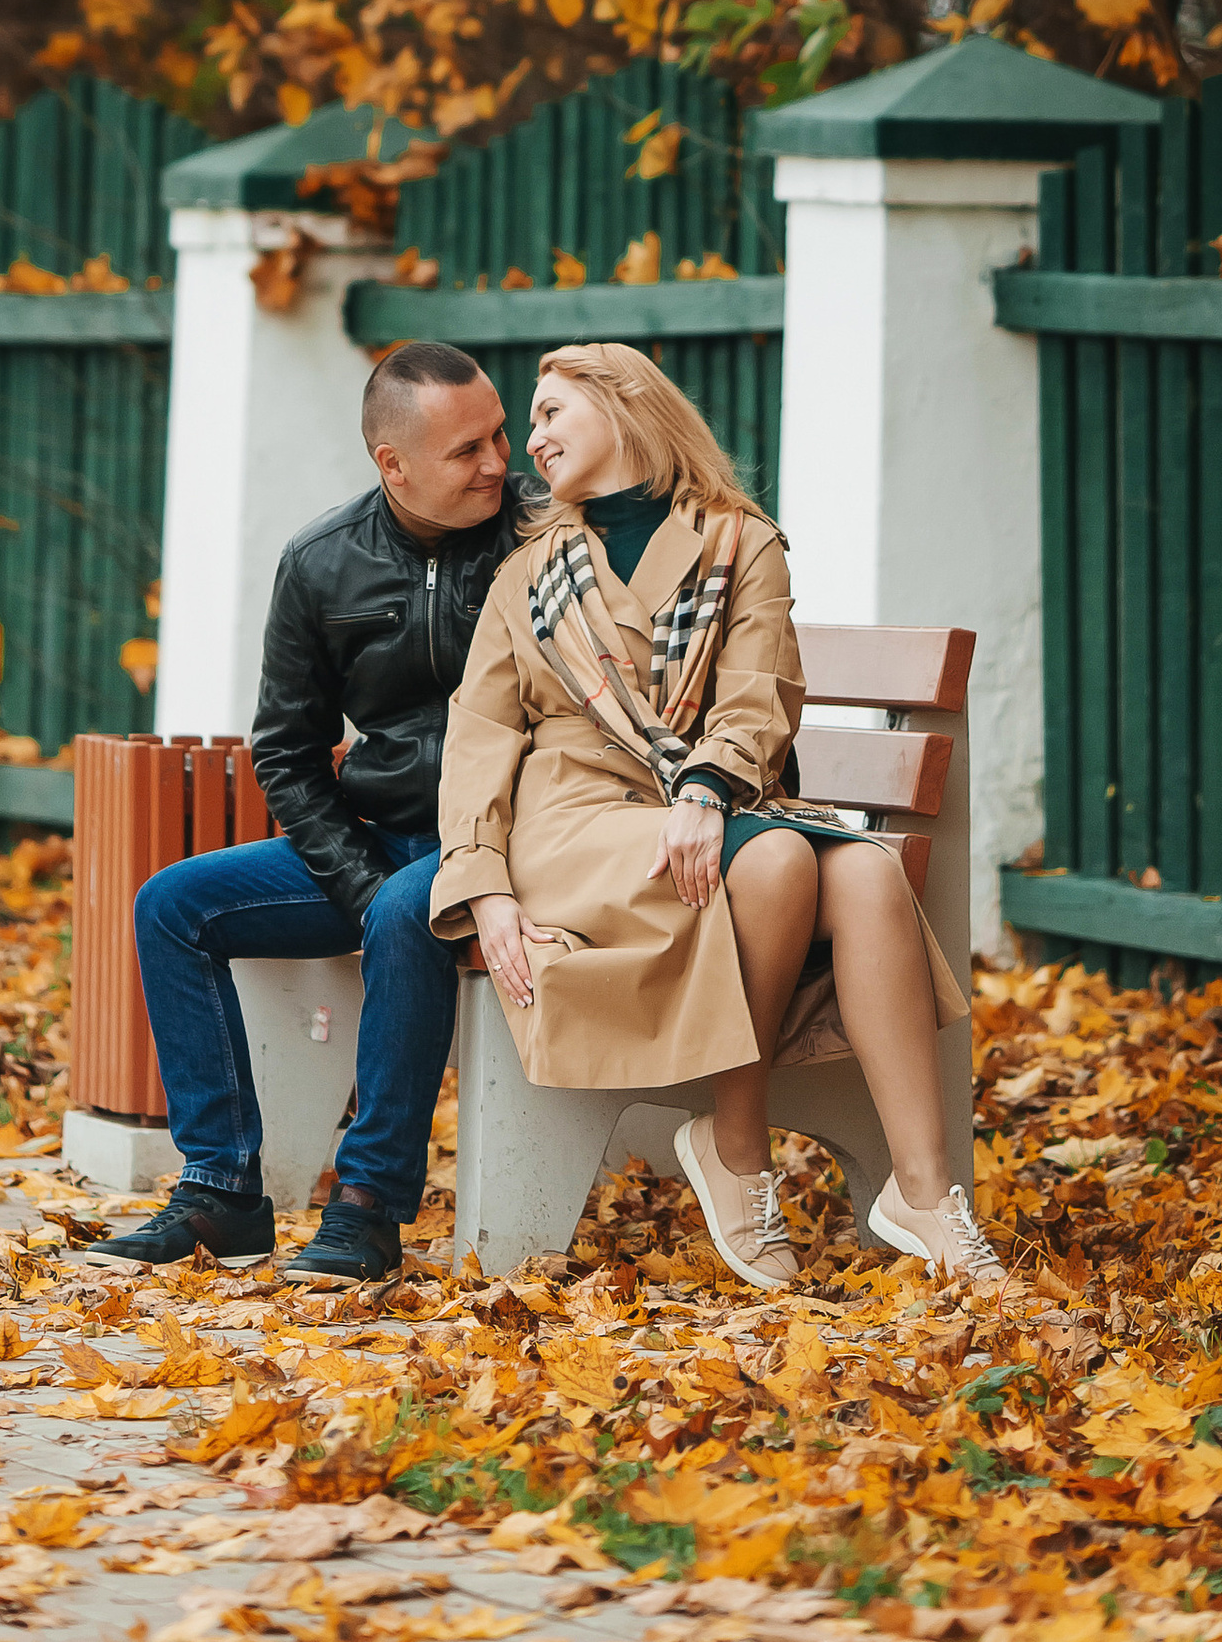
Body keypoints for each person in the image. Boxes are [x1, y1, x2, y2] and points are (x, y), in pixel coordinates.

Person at [430, 338, 1004, 1293]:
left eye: (549, 415)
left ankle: (926, 1195)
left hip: (714, 808)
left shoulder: (744, 542)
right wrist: (485, 889)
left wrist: (704, 789)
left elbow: (758, 691)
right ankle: (738, 1142)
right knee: (778, 860)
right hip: (574, 831)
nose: (530, 442)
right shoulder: (527, 573)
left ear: (622, 406)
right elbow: (480, 738)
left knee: (860, 870)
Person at [94, 340, 520, 1281]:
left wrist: (401, 894)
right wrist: (359, 883)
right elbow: (286, 750)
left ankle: (366, 1206)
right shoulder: (322, 563)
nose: (498, 462)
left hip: (506, 844)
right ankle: (222, 1191)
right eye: (467, 451)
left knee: (415, 907)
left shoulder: (541, 540)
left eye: (500, 433)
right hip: (376, 843)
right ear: (393, 464)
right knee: (173, 904)